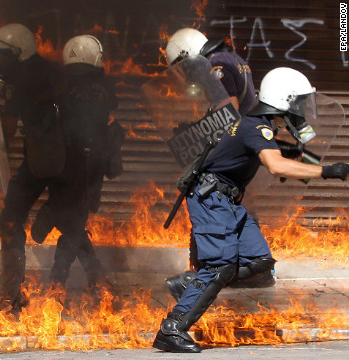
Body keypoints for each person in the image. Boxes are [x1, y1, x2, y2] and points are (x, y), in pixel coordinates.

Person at [152, 67, 349, 353]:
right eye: (299, 103)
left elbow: (274, 155)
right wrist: (327, 171)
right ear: (284, 100)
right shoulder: (257, 128)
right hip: (211, 199)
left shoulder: (257, 127)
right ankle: (172, 328)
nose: (303, 109)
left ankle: (193, 283)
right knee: (220, 267)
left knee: (259, 264)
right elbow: (276, 165)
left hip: (226, 201)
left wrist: (298, 155)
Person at [164, 27, 276, 290]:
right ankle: (251, 267)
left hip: (239, 141)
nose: (186, 73)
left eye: (183, 66)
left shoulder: (217, 63)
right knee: (227, 196)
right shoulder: (231, 58)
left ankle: (209, 270)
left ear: (188, 55)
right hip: (247, 141)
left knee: (202, 190)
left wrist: (199, 131)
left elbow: (229, 109)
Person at [31, 35, 123, 291]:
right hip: (89, 165)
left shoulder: (58, 85)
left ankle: (66, 277)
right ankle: (78, 276)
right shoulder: (104, 86)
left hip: (62, 162)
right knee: (75, 219)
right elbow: (107, 115)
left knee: (72, 218)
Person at [0, 23, 64, 310]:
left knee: (10, 218)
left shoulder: (18, 77)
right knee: (73, 224)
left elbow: (6, 128)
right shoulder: (55, 70)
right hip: (69, 159)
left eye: (2, 56)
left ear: (17, 53)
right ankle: (99, 287)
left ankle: (11, 293)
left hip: (41, 156)